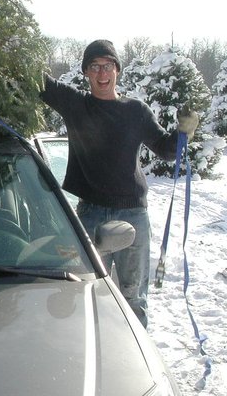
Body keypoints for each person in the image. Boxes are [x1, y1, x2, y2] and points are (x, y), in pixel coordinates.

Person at [39, 39, 199, 328]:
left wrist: (183, 132)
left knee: (133, 295)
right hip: (91, 216)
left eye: (108, 66)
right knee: (81, 286)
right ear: (86, 72)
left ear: (117, 70)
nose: (102, 74)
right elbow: (39, 82)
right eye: (95, 67)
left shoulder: (135, 111)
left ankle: (133, 357)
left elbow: (165, 148)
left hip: (133, 217)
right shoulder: (76, 105)